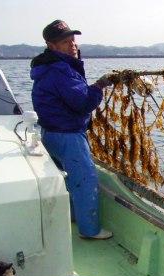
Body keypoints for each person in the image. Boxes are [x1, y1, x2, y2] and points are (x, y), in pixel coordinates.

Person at [30, 19, 113, 239]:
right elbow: (83, 103)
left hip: (50, 133)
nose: (72, 44)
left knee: (69, 178)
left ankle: (75, 216)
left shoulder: (46, 67)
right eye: (65, 42)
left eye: (73, 39)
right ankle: (90, 230)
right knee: (85, 180)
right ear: (51, 45)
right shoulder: (61, 70)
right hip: (67, 135)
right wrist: (99, 86)